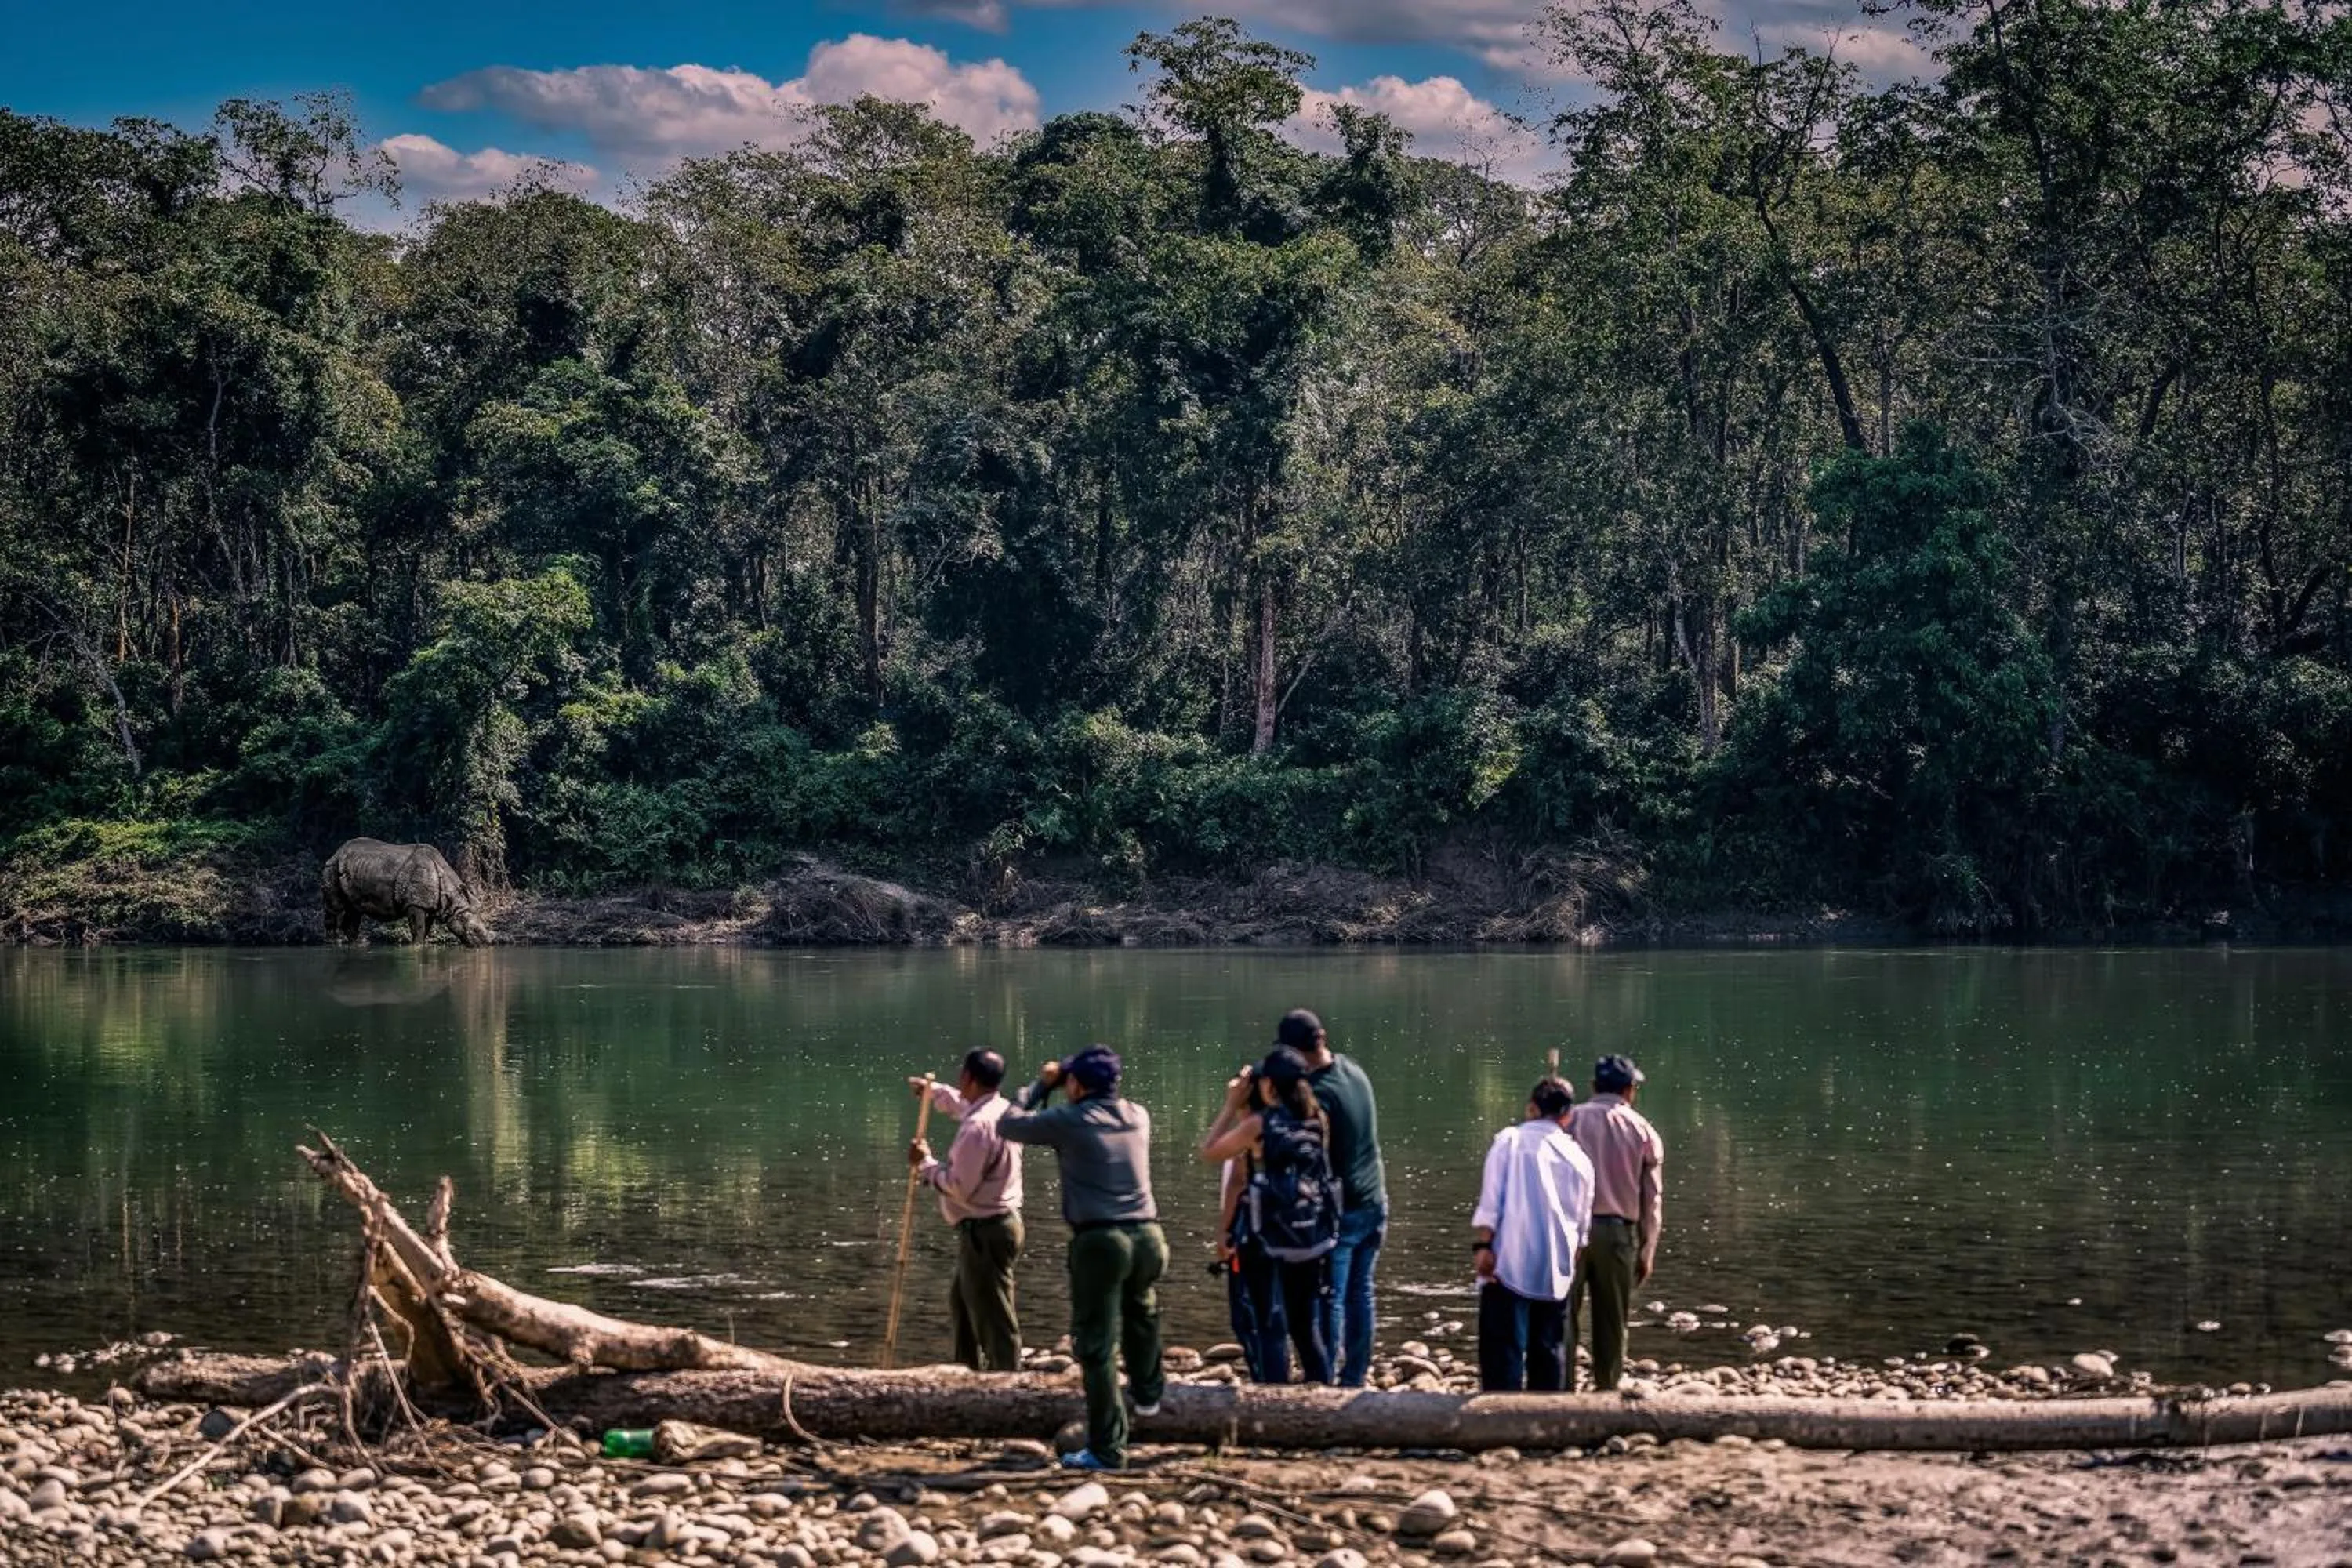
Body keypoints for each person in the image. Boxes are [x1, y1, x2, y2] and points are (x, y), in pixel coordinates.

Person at [997, 1044, 1164, 1472]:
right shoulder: (1138, 1115)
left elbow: (1009, 1124)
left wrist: (1040, 1087)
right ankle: (1149, 1394)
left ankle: (1107, 1450)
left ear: (1075, 1084)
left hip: (1102, 1241)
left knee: (1096, 1346)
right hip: (1149, 1236)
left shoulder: (1071, 1120)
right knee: (1141, 1311)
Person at [1199, 1047, 1340, 1384]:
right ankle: (1325, 1395)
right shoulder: (1318, 1118)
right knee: (1305, 1326)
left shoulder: (1258, 1125)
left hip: (1264, 1235)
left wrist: (1232, 1106)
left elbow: (1210, 1151)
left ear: (1269, 1085)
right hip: (1308, 1234)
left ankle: (1273, 1398)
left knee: (1269, 1325)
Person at [1283, 1009, 1388, 1387]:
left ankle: (1325, 1379)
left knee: (1330, 1296)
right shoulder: (1352, 1069)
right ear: (1323, 1037)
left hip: (1345, 1209)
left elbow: (1308, 1150)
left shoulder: (1318, 1094)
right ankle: (1355, 1376)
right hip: (1375, 1198)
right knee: (1361, 1291)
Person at [1472, 1076, 1595, 1391]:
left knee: (1503, 1349)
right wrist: (1572, 1259)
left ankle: (1500, 1410)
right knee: (1549, 1351)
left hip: (1508, 1259)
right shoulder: (1580, 1159)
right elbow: (1582, 1225)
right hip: (1556, 1268)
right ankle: (1546, 1411)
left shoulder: (1510, 1141)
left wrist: (1483, 1245)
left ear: (1531, 1108)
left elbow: (1492, 1201)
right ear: (1567, 1115)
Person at [906, 1048, 1024, 1372]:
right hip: (995, 1226)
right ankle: (966, 1373)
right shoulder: (1004, 1110)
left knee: (994, 1315)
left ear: (967, 1077)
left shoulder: (977, 1128)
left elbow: (960, 1186)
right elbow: (965, 1105)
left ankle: (1007, 1381)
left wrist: (925, 1165)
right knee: (963, 1303)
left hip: (986, 1230)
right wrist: (933, 1093)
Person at [1565, 1053, 1665, 1392]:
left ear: (1594, 1086)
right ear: (1629, 1090)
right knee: (1612, 1320)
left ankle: (1559, 1391)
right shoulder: (1643, 1131)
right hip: (1617, 1234)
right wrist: (1648, 1249)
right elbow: (1652, 1200)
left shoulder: (1569, 1121)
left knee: (1563, 1315)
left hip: (1569, 1233)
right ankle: (1606, 1391)